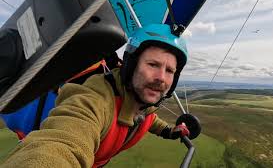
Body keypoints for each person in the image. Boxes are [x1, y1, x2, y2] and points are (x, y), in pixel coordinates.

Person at [2, 23, 190, 167]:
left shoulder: (142, 100)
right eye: (153, 65)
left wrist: (169, 131)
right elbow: (62, 142)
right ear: (130, 65)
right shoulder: (96, 100)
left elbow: (148, 117)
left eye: (170, 71)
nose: (161, 78)